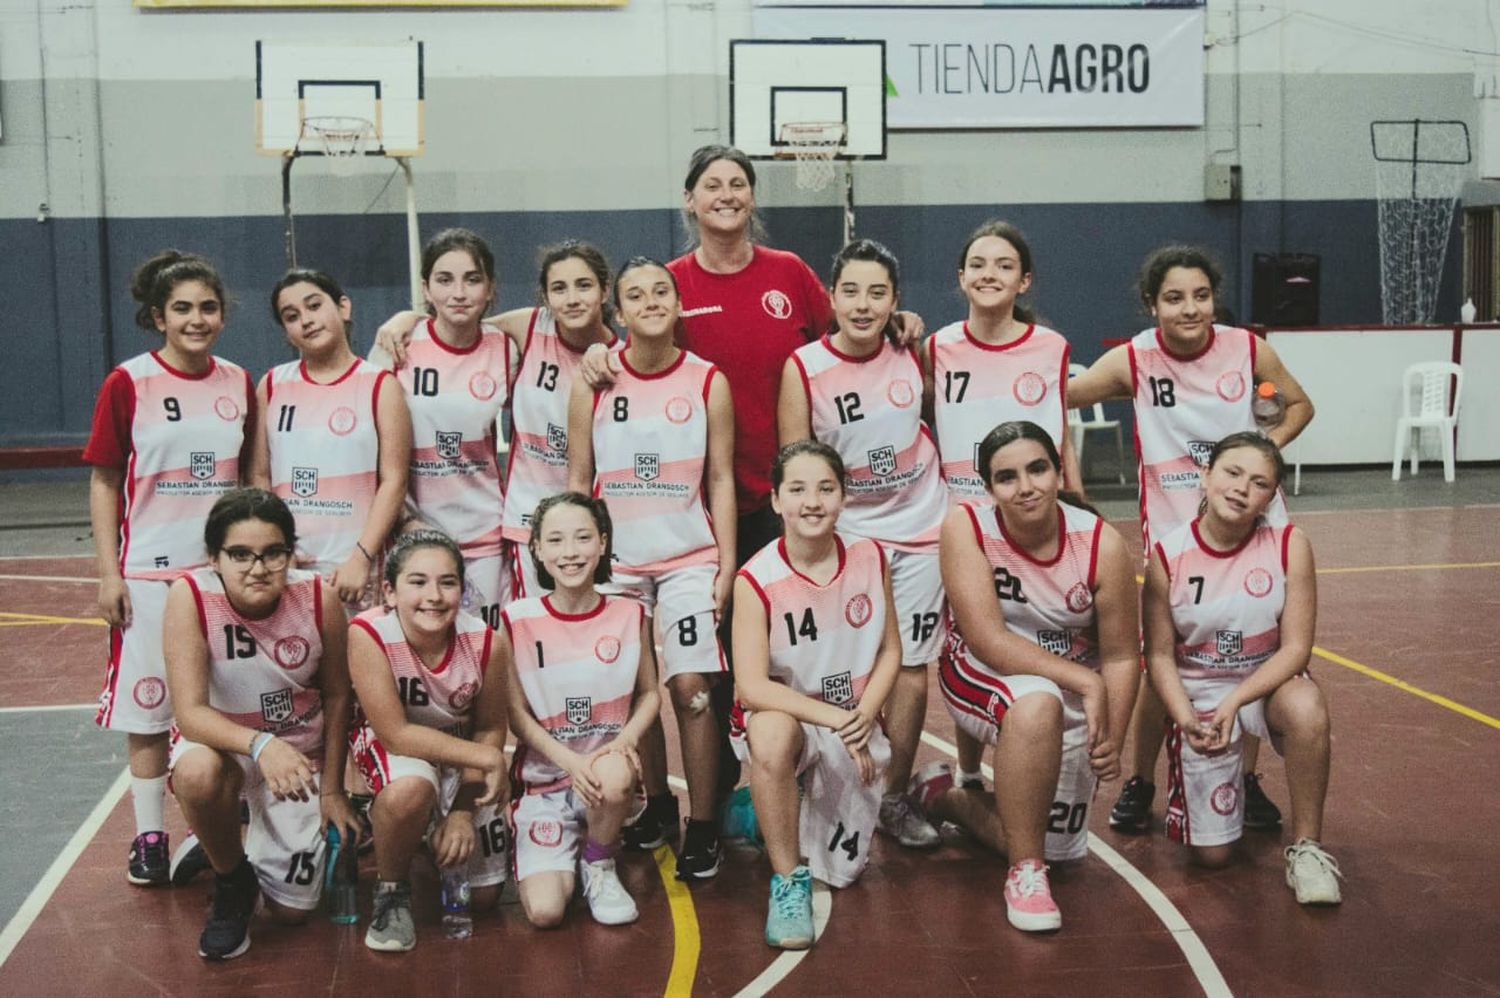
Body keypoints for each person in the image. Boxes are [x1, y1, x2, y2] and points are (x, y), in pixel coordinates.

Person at [579, 146, 924, 803]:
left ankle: (785, 779)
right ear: (690, 200)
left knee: (779, 656)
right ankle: (716, 793)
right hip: (694, 510)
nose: (726, 195)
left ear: (753, 197)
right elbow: (611, 334)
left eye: (739, 184)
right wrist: (597, 349)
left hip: (783, 501)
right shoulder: (669, 284)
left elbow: (853, 332)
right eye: (712, 185)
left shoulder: (790, 273)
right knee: (700, 673)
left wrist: (903, 323)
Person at [1068, 246, 1314, 835]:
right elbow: (1059, 395)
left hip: (1254, 524)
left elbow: (1300, 405)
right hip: (1178, 532)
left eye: (1201, 295)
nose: (1190, 308)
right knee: (1166, 666)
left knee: (1251, 654)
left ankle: (1244, 780)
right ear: (1152, 304)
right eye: (1174, 298)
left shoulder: (1247, 349)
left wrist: (1263, 454)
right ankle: (1144, 779)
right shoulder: (1134, 359)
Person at [911, 421, 1138, 932]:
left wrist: (1113, 737)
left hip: (1070, 679)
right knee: (1038, 702)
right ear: (989, 489)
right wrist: (1085, 683)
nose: (1026, 486)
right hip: (977, 667)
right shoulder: (966, 527)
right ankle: (1024, 872)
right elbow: (988, 638)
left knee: (1061, 846)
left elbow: (1123, 655)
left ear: (1059, 471)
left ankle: (947, 797)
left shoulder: (1100, 543)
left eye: (1037, 469)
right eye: (1007, 477)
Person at [84, 249, 253, 886]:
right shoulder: (128, 382)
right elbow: (104, 481)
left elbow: (248, 479)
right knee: (150, 711)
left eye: (208, 307)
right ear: (158, 316)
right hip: (151, 574)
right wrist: (109, 572)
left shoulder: (238, 381)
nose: (197, 318)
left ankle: (223, 825)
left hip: (225, 579)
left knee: (227, 707)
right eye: (182, 308)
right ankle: (149, 836)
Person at [567, 257, 736, 879]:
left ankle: (704, 822)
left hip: (689, 559)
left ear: (678, 303)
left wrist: (725, 561)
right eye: (635, 294)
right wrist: (579, 561)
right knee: (630, 693)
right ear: (618, 312)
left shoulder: (706, 380)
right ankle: (659, 805)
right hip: (617, 565)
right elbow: (577, 478)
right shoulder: (594, 381)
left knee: (691, 692)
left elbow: (720, 475)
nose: (650, 301)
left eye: (661, 291)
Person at [777, 239, 949, 850]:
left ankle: (896, 797)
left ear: (896, 301)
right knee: (835, 668)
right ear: (830, 296)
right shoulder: (804, 368)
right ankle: (815, 785)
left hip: (921, 527)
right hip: (847, 535)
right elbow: (795, 463)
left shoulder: (913, 351)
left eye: (879, 292)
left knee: (908, 667)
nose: (864, 303)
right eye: (850, 290)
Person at [1143, 433, 1341, 904]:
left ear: (1271, 496)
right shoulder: (1167, 555)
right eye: (1232, 473)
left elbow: (1296, 651)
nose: (1240, 489)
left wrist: (1237, 700)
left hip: (1263, 684)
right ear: (1206, 475)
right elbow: (1158, 656)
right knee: (1213, 857)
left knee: (1307, 704)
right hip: (1199, 690)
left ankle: (1308, 848)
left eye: (1258, 483)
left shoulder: (1290, 545)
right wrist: (1185, 716)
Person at [161, 488, 359, 960]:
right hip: (227, 746)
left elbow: (337, 695)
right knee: (196, 774)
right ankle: (231, 877)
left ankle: (224, 835)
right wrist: (259, 745)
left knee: (291, 914)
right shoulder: (189, 597)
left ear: (291, 553)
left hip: (297, 752)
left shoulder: (318, 598)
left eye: (273, 553)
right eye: (240, 554)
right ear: (214, 557)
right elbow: (189, 713)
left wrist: (332, 790)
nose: (258, 567)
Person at [372, 238, 618, 602]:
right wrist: (407, 318)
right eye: (559, 288)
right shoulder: (528, 329)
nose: (572, 298)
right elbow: (460, 321)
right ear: (545, 297)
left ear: (605, 290)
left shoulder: (619, 360)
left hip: (593, 526)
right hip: (526, 521)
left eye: (584, 285)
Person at [926, 221, 1082, 788]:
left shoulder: (1052, 348)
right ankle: (969, 771)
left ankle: (1038, 754)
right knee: (970, 638)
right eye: (979, 264)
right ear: (961, 277)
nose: (990, 274)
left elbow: (1059, 435)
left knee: (1028, 636)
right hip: (963, 522)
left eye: (1005, 265)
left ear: (1025, 281)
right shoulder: (937, 346)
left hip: (1030, 518)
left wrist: (1079, 503)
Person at [730, 440, 903, 950]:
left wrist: (864, 715)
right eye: (798, 489)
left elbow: (891, 652)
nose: (813, 501)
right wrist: (835, 719)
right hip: (789, 713)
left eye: (826, 488)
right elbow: (752, 686)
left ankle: (755, 814)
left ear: (844, 497)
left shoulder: (870, 557)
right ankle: (786, 882)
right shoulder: (755, 579)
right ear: (776, 500)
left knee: (844, 871)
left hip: (853, 715)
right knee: (772, 736)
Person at [501, 492, 662, 927]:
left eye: (582, 538)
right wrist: (572, 763)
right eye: (555, 540)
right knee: (546, 913)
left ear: (603, 542)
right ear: (535, 548)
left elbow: (651, 694)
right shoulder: (515, 619)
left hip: (605, 773)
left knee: (613, 775)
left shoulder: (630, 612)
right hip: (547, 781)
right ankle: (554, 849)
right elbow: (516, 715)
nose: (569, 552)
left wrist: (625, 740)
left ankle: (599, 861)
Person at [345, 530, 510, 951]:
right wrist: (486, 760)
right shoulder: (369, 633)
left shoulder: (487, 640)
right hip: (392, 746)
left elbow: (489, 727)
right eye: (417, 582)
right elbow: (395, 734)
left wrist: (461, 811)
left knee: (486, 898)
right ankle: (391, 890)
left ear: (462, 588)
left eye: (447, 582)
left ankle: (425, 831)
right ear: (390, 590)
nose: (433, 596)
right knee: (410, 791)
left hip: (458, 751)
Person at [370, 229, 514, 627]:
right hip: (413, 532)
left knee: (484, 651)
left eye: (472, 279)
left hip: (484, 533)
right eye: (445, 280)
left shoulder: (505, 349)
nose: (459, 292)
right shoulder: (397, 345)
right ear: (425, 288)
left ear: (490, 288)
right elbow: (372, 447)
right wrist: (401, 517)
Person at [250, 269, 411, 610]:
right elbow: (259, 476)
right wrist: (278, 549)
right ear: (287, 332)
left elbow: (394, 481)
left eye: (314, 306)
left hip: (353, 570)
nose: (306, 321)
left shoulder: (380, 386)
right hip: (288, 567)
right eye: (292, 317)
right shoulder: (272, 385)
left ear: (343, 308)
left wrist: (361, 557)